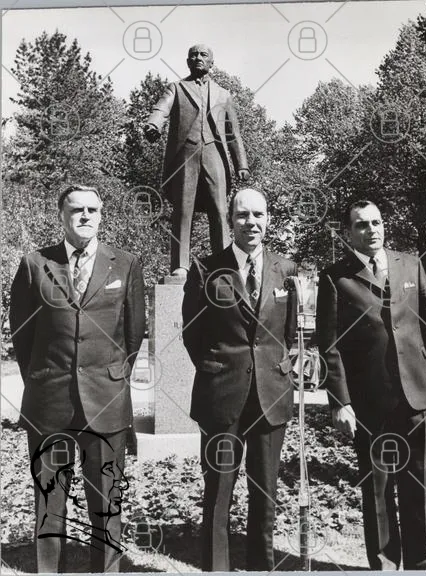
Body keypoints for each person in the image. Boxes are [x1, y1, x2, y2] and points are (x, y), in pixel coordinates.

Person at [9, 184, 146, 572]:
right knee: (50, 496)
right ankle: (50, 569)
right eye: (76, 210)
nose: (85, 216)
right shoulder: (35, 264)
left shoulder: (126, 264)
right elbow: (23, 335)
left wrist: (112, 378)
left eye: (92, 210)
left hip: (106, 400)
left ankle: (106, 569)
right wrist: (43, 377)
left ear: (101, 215)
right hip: (50, 399)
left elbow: (134, 334)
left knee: (107, 498)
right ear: (62, 216)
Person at [316, 200, 426, 570]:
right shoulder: (335, 278)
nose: (371, 230)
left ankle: (419, 564)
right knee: (377, 489)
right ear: (348, 232)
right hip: (368, 401)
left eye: (376, 222)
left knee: (417, 484)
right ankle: (384, 566)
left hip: (415, 395)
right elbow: (329, 346)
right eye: (361, 224)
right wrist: (340, 401)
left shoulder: (411, 265)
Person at [182, 188, 297, 571]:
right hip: (222, 395)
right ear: (230, 220)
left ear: (268, 219)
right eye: (243, 215)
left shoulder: (287, 270)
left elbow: (287, 332)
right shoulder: (205, 268)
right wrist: (218, 368)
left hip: (271, 394)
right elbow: (193, 334)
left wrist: (274, 368)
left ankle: (261, 566)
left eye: (258, 215)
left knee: (265, 490)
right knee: (218, 490)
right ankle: (216, 567)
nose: (251, 222)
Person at [145, 44, 250, 276]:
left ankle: (224, 265)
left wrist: (241, 164)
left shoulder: (223, 94)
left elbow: (233, 133)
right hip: (186, 156)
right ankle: (180, 265)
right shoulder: (177, 88)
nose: (198, 58)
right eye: (193, 55)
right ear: (187, 61)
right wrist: (153, 124)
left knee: (220, 210)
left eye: (203, 55)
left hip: (215, 155)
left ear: (212, 62)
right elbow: (161, 108)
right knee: (183, 210)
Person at [30, 429, 129, 560]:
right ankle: (49, 567)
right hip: (50, 419)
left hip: (105, 419)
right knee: (48, 501)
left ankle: (105, 568)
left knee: (106, 503)